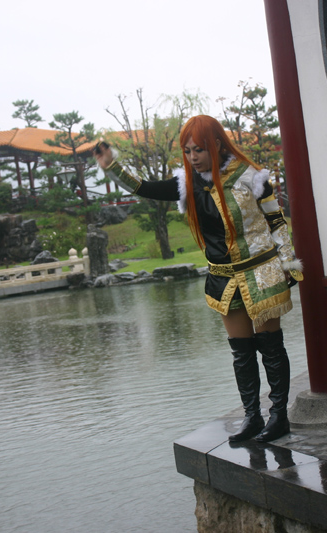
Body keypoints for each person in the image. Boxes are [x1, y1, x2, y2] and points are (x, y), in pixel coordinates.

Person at [94, 115, 302, 442]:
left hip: (260, 271)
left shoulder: (250, 177)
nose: (192, 157)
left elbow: (276, 220)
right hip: (224, 278)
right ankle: (252, 417)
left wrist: (288, 263)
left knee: (270, 347)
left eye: (199, 150)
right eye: (188, 151)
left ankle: (279, 417)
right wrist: (111, 166)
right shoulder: (187, 184)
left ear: (217, 145)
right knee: (241, 352)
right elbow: (143, 187)